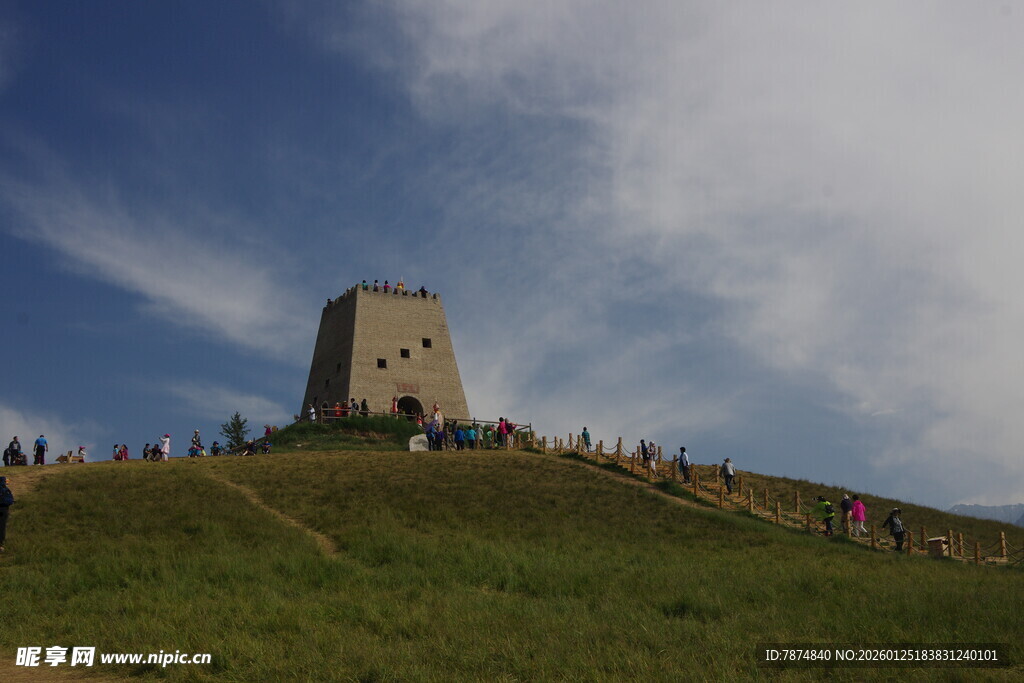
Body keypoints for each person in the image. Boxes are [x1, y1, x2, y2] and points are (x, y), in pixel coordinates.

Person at [0, 475, 13, 552]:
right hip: (3, 510)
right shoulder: (4, 489)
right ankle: (0, 544)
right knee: (1, 527)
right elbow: (9, 500)